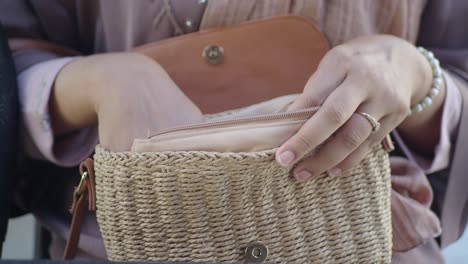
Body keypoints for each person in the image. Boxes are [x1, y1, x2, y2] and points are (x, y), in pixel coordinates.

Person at [1, 0, 467, 263]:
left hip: (367, 245)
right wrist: (102, 81)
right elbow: (14, 49)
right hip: (129, 246)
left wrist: (418, 76)